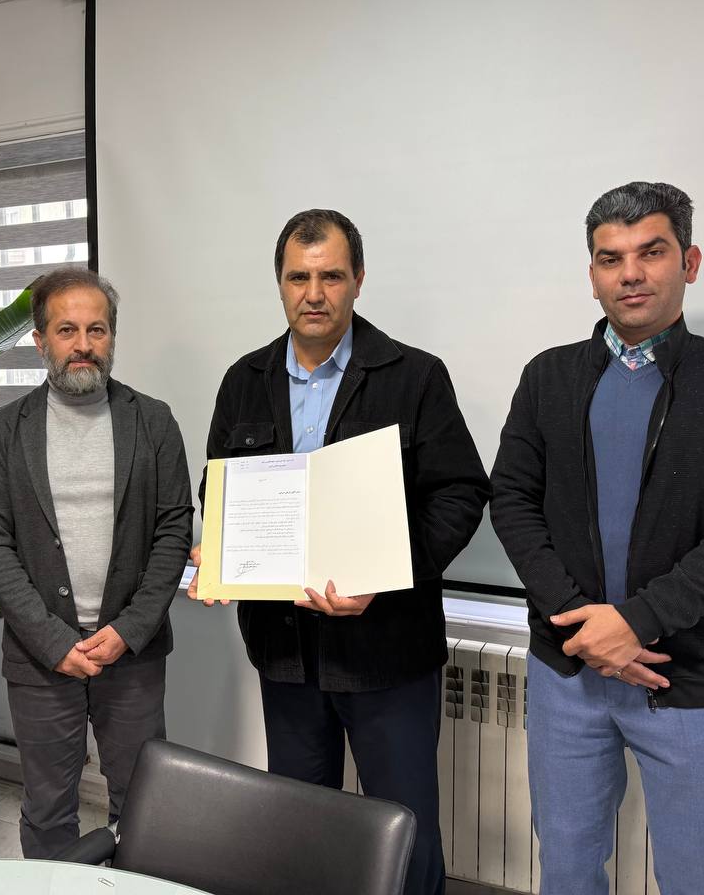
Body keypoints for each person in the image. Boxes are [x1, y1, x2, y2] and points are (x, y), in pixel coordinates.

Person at [489, 182, 704, 895]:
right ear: (592, 274)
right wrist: (583, 626)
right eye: (610, 258)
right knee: (567, 869)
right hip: (568, 672)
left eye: (651, 252)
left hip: (687, 677)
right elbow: (512, 501)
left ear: (689, 262)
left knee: (697, 878)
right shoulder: (548, 376)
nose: (630, 273)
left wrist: (635, 623)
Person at [191, 209, 490, 895]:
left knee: (405, 832)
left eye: (330, 276)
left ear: (358, 279)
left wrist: (386, 575)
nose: (314, 294)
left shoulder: (415, 376)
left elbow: (461, 493)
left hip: (388, 649)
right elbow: (218, 484)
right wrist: (221, 542)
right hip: (285, 652)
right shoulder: (244, 379)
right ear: (280, 283)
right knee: (301, 829)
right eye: (299, 278)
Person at [0, 266, 193, 858]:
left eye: (97, 329)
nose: (83, 344)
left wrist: (129, 629)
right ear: (40, 340)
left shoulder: (154, 421)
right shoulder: (4, 431)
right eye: (66, 330)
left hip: (132, 652)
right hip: (41, 658)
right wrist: (52, 641)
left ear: (112, 336)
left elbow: (174, 530)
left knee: (143, 805)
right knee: (48, 809)